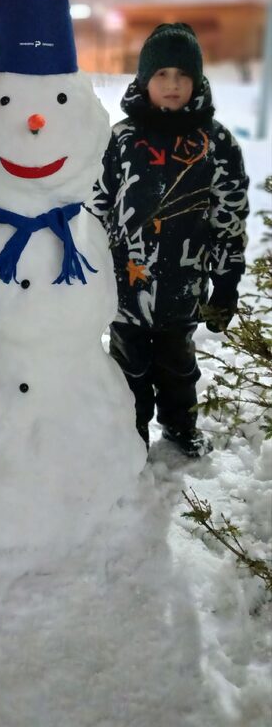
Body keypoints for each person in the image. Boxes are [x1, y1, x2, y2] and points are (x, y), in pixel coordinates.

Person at [90, 23, 249, 456]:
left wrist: (227, 282)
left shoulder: (215, 143)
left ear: (197, 80)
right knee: (129, 370)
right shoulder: (121, 140)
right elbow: (96, 205)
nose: (173, 84)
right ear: (143, 80)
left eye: (183, 74)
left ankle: (180, 427)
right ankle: (131, 434)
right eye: (161, 74)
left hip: (184, 288)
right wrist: (90, 268)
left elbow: (229, 218)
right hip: (126, 288)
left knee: (179, 368)